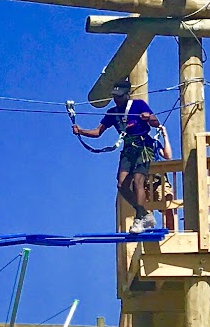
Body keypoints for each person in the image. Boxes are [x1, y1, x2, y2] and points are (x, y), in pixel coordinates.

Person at [72, 80, 169, 232]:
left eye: (119, 96)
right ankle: (144, 214)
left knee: (138, 181)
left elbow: (156, 122)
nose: (116, 99)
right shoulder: (112, 113)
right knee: (121, 185)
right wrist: (81, 131)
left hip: (143, 146)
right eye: (115, 96)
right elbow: (97, 132)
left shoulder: (138, 105)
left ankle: (139, 219)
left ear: (127, 95)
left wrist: (148, 118)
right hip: (128, 149)